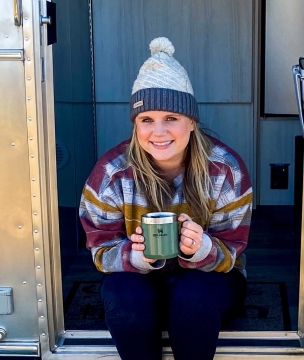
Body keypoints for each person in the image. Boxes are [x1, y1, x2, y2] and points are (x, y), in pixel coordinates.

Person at [80, 37, 253, 360]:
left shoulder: (226, 170)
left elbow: (232, 249)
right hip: (139, 282)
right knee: (124, 297)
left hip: (208, 281)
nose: (158, 132)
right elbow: (100, 249)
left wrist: (202, 249)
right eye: (146, 120)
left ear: (191, 122)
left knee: (193, 298)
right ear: (135, 125)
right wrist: (135, 255)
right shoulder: (111, 173)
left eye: (171, 118)